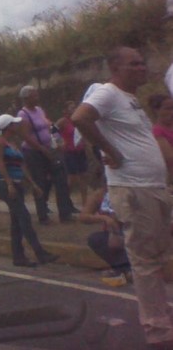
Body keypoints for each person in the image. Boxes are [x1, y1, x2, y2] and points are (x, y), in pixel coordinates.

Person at [72, 46, 173, 348]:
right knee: (144, 260)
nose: (142, 68)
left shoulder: (130, 100)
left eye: (143, 63)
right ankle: (158, 330)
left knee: (159, 257)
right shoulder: (108, 93)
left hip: (151, 188)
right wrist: (111, 151)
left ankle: (162, 316)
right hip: (134, 188)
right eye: (134, 64)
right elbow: (81, 117)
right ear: (116, 68)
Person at [0, 114, 59, 267]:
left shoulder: (12, 143)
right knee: (24, 217)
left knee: (17, 221)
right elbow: (0, 163)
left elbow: (21, 165)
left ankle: (18, 256)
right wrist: (9, 183)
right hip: (5, 183)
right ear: (8, 127)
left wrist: (33, 184)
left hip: (17, 182)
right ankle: (39, 252)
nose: (17, 126)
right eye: (13, 124)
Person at [17, 85, 75, 224]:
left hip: (50, 148)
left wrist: (59, 139)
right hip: (34, 152)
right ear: (26, 98)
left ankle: (65, 213)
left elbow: (49, 125)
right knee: (40, 182)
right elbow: (25, 136)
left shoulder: (40, 110)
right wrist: (41, 149)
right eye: (34, 95)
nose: (38, 97)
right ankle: (43, 215)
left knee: (61, 179)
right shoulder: (23, 114)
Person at [78, 187, 131, 287]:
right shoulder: (101, 194)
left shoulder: (130, 191)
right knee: (95, 239)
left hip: (134, 233)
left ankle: (125, 269)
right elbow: (83, 216)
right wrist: (104, 218)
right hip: (114, 235)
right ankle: (124, 269)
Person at [55, 101, 89, 208]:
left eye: (75, 107)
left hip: (80, 150)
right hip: (69, 152)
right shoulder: (63, 121)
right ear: (65, 110)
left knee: (83, 176)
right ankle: (65, 201)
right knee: (72, 178)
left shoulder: (78, 120)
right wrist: (60, 142)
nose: (74, 109)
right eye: (71, 108)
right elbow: (52, 131)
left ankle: (85, 203)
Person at [150, 94, 173, 179]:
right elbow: (170, 158)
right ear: (156, 110)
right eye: (167, 109)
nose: (171, 112)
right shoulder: (157, 131)